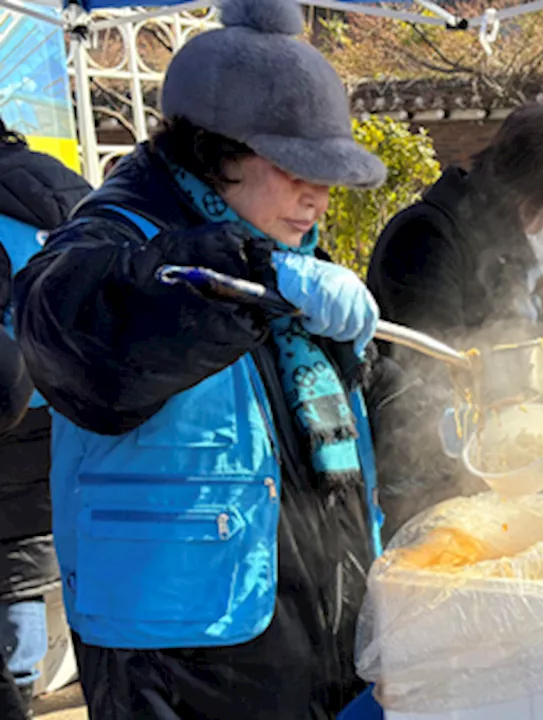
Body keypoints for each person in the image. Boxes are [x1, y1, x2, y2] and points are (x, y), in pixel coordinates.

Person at [11, 0, 419, 715]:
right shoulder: (113, 240)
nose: (318, 196)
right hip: (182, 667)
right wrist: (245, 280)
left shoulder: (283, 243)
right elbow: (77, 340)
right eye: (297, 168)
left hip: (318, 627)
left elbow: (339, 417)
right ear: (214, 150)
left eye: (328, 176)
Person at [366, 104, 543, 532]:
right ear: (536, 191)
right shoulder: (427, 238)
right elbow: (438, 367)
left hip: (484, 480)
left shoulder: (507, 249)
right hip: (421, 490)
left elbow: (518, 340)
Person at [0, 119, 91, 716]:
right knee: (26, 555)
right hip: (66, 402)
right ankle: (27, 678)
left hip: (7, 399)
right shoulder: (69, 189)